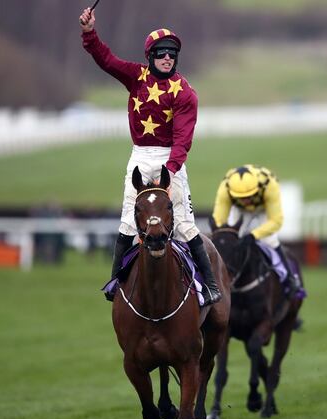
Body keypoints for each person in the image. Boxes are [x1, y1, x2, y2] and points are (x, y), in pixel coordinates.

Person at [79, 7, 221, 304]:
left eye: (171, 53)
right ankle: (115, 283)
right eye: (161, 53)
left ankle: (210, 286)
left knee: (183, 225)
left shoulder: (184, 92)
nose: (167, 58)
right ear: (150, 56)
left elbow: (183, 139)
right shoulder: (136, 76)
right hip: (140, 158)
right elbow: (106, 60)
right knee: (128, 225)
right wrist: (90, 33)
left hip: (172, 160)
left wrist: (170, 170)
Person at [211, 165, 302, 299]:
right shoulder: (225, 188)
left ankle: (289, 278)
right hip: (239, 210)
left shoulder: (269, 185)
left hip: (263, 207)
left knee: (270, 240)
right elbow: (219, 221)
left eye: (249, 196)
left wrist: (254, 235)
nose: (245, 201)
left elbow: (276, 221)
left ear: (257, 189)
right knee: (232, 240)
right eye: (240, 197)